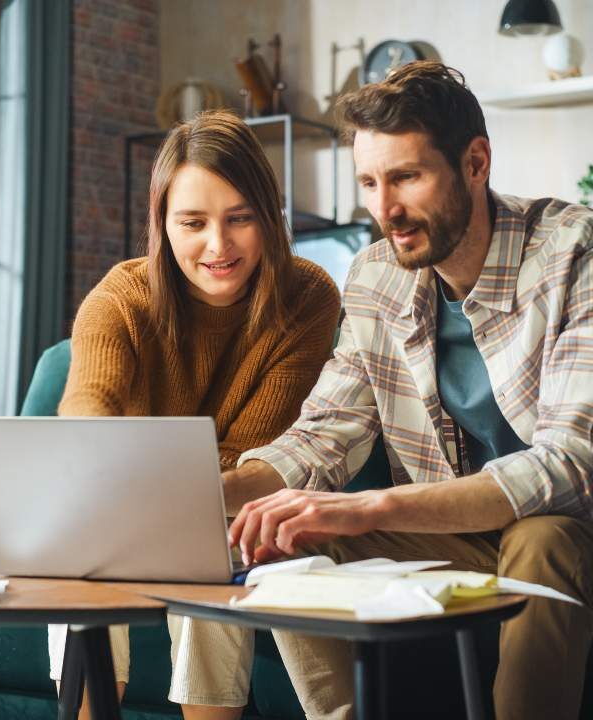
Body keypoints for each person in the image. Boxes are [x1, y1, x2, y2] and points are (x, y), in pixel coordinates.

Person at [224, 62, 593, 720]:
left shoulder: (573, 255)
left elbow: (568, 466)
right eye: (368, 182)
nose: (384, 209)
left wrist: (369, 508)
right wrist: (200, 498)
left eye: (406, 177)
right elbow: (324, 434)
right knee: (289, 537)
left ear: (475, 162)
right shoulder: (375, 277)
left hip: (570, 534)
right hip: (456, 538)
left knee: (543, 535)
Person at [50, 109, 342, 720]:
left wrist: (165, 492)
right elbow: (86, 410)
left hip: (226, 504)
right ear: (162, 224)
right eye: (193, 222)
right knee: (80, 558)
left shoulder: (308, 296)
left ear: (269, 216)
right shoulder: (122, 297)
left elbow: (255, 453)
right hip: (119, 509)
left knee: (212, 547)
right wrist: (102, 473)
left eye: (240, 218)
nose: (219, 245)